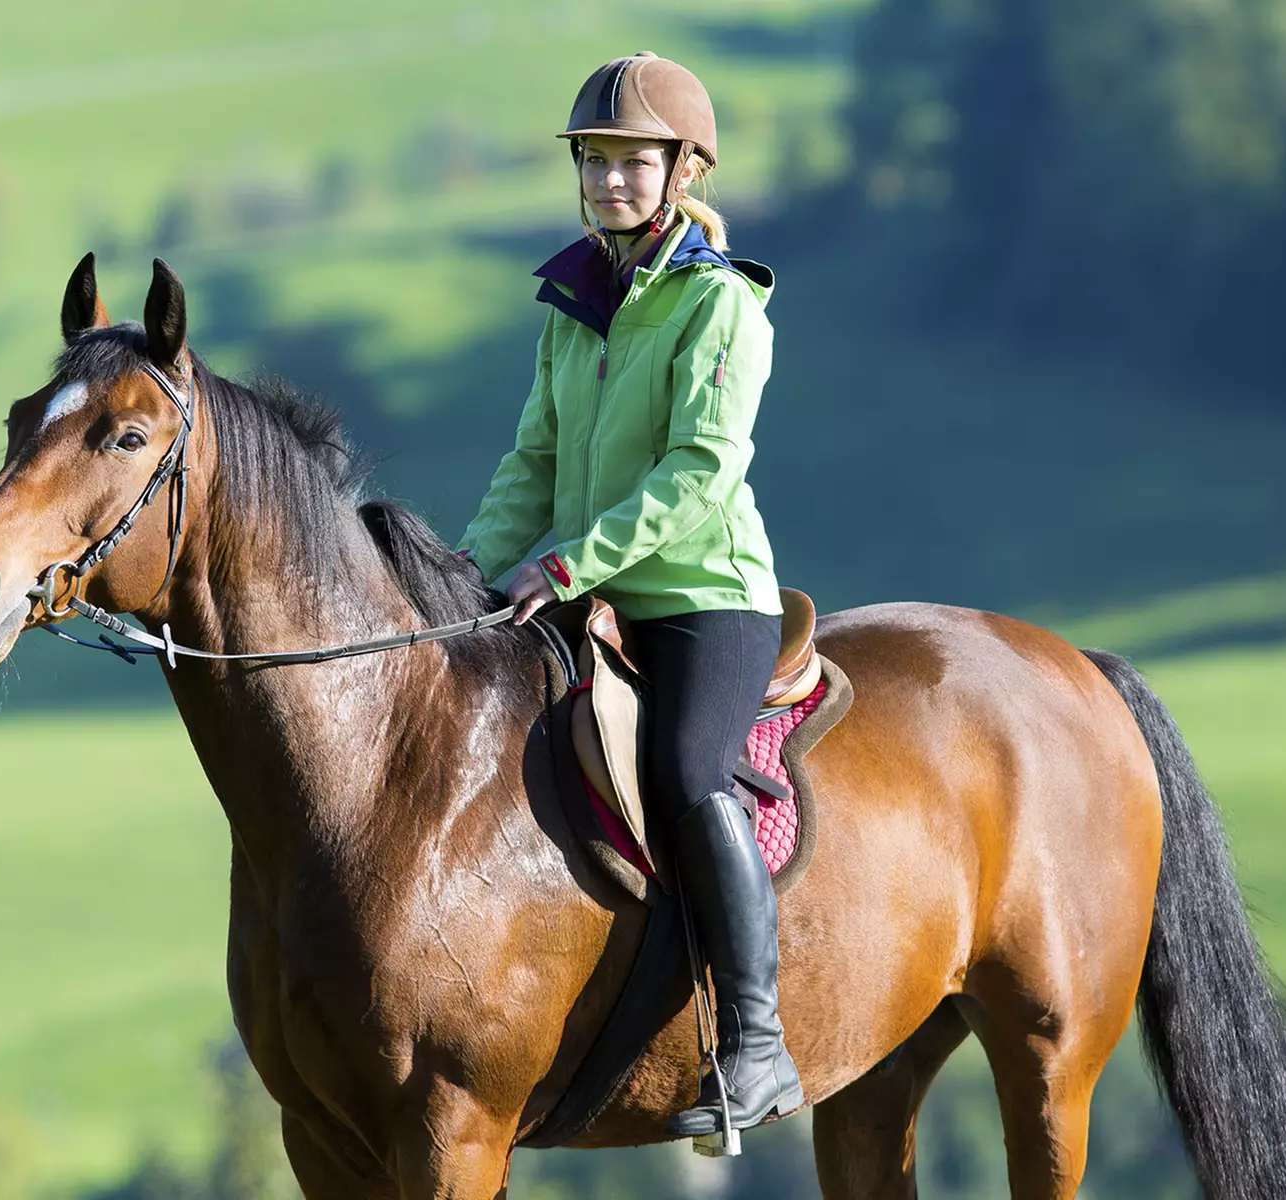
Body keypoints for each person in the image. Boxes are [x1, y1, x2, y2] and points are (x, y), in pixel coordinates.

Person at [454, 51, 800, 1137]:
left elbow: (698, 475)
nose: (608, 182)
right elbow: (533, 462)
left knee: (691, 771)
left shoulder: (723, 307)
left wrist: (561, 566)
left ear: (682, 170)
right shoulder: (574, 303)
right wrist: (461, 583)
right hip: (590, 586)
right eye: (594, 162)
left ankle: (757, 1044)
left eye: (630, 163)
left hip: (704, 593)